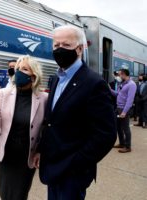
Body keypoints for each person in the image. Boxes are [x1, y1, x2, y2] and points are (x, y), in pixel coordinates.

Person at [38, 25, 116, 200]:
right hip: (52, 167)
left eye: (65, 45)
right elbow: (52, 122)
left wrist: (77, 163)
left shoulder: (94, 83)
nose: (59, 49)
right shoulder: (57, 78)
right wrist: (42, 151)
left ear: (79, 49)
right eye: (55, 45)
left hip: (73, 172)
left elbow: (106, 134)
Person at [0, 55, 48, 200]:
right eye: (17, 69)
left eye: (24, 69)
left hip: (26, 158)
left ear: (34, 76)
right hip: (6, 155)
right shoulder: (3, 94)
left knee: (20, 195)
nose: (19, 72)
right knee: (6, 194)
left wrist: (41, 151)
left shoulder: (43, 98)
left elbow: (46, 128)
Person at [111, 69, 137, 153]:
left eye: (119, 75)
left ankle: (127, 146)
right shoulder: (122, 84)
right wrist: (109, 89)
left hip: (124, 109)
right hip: (118, 108)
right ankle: (122, 143)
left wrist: (124, 112)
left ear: (124, 74)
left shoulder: (131, 85)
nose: (118, 76)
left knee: (125, 128)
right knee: (118, 127)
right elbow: (117, 94)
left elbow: (130, 100)